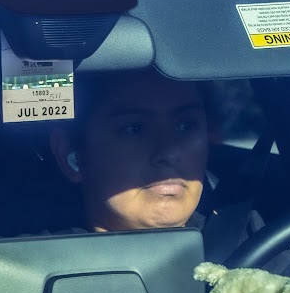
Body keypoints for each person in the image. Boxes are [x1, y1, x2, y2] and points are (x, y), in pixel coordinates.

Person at [49, 68, 215, 232]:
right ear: (72, 156)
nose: (169, 153)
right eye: (133, 129)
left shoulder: (237, 237)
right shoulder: (31, 258)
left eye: (186, 126)